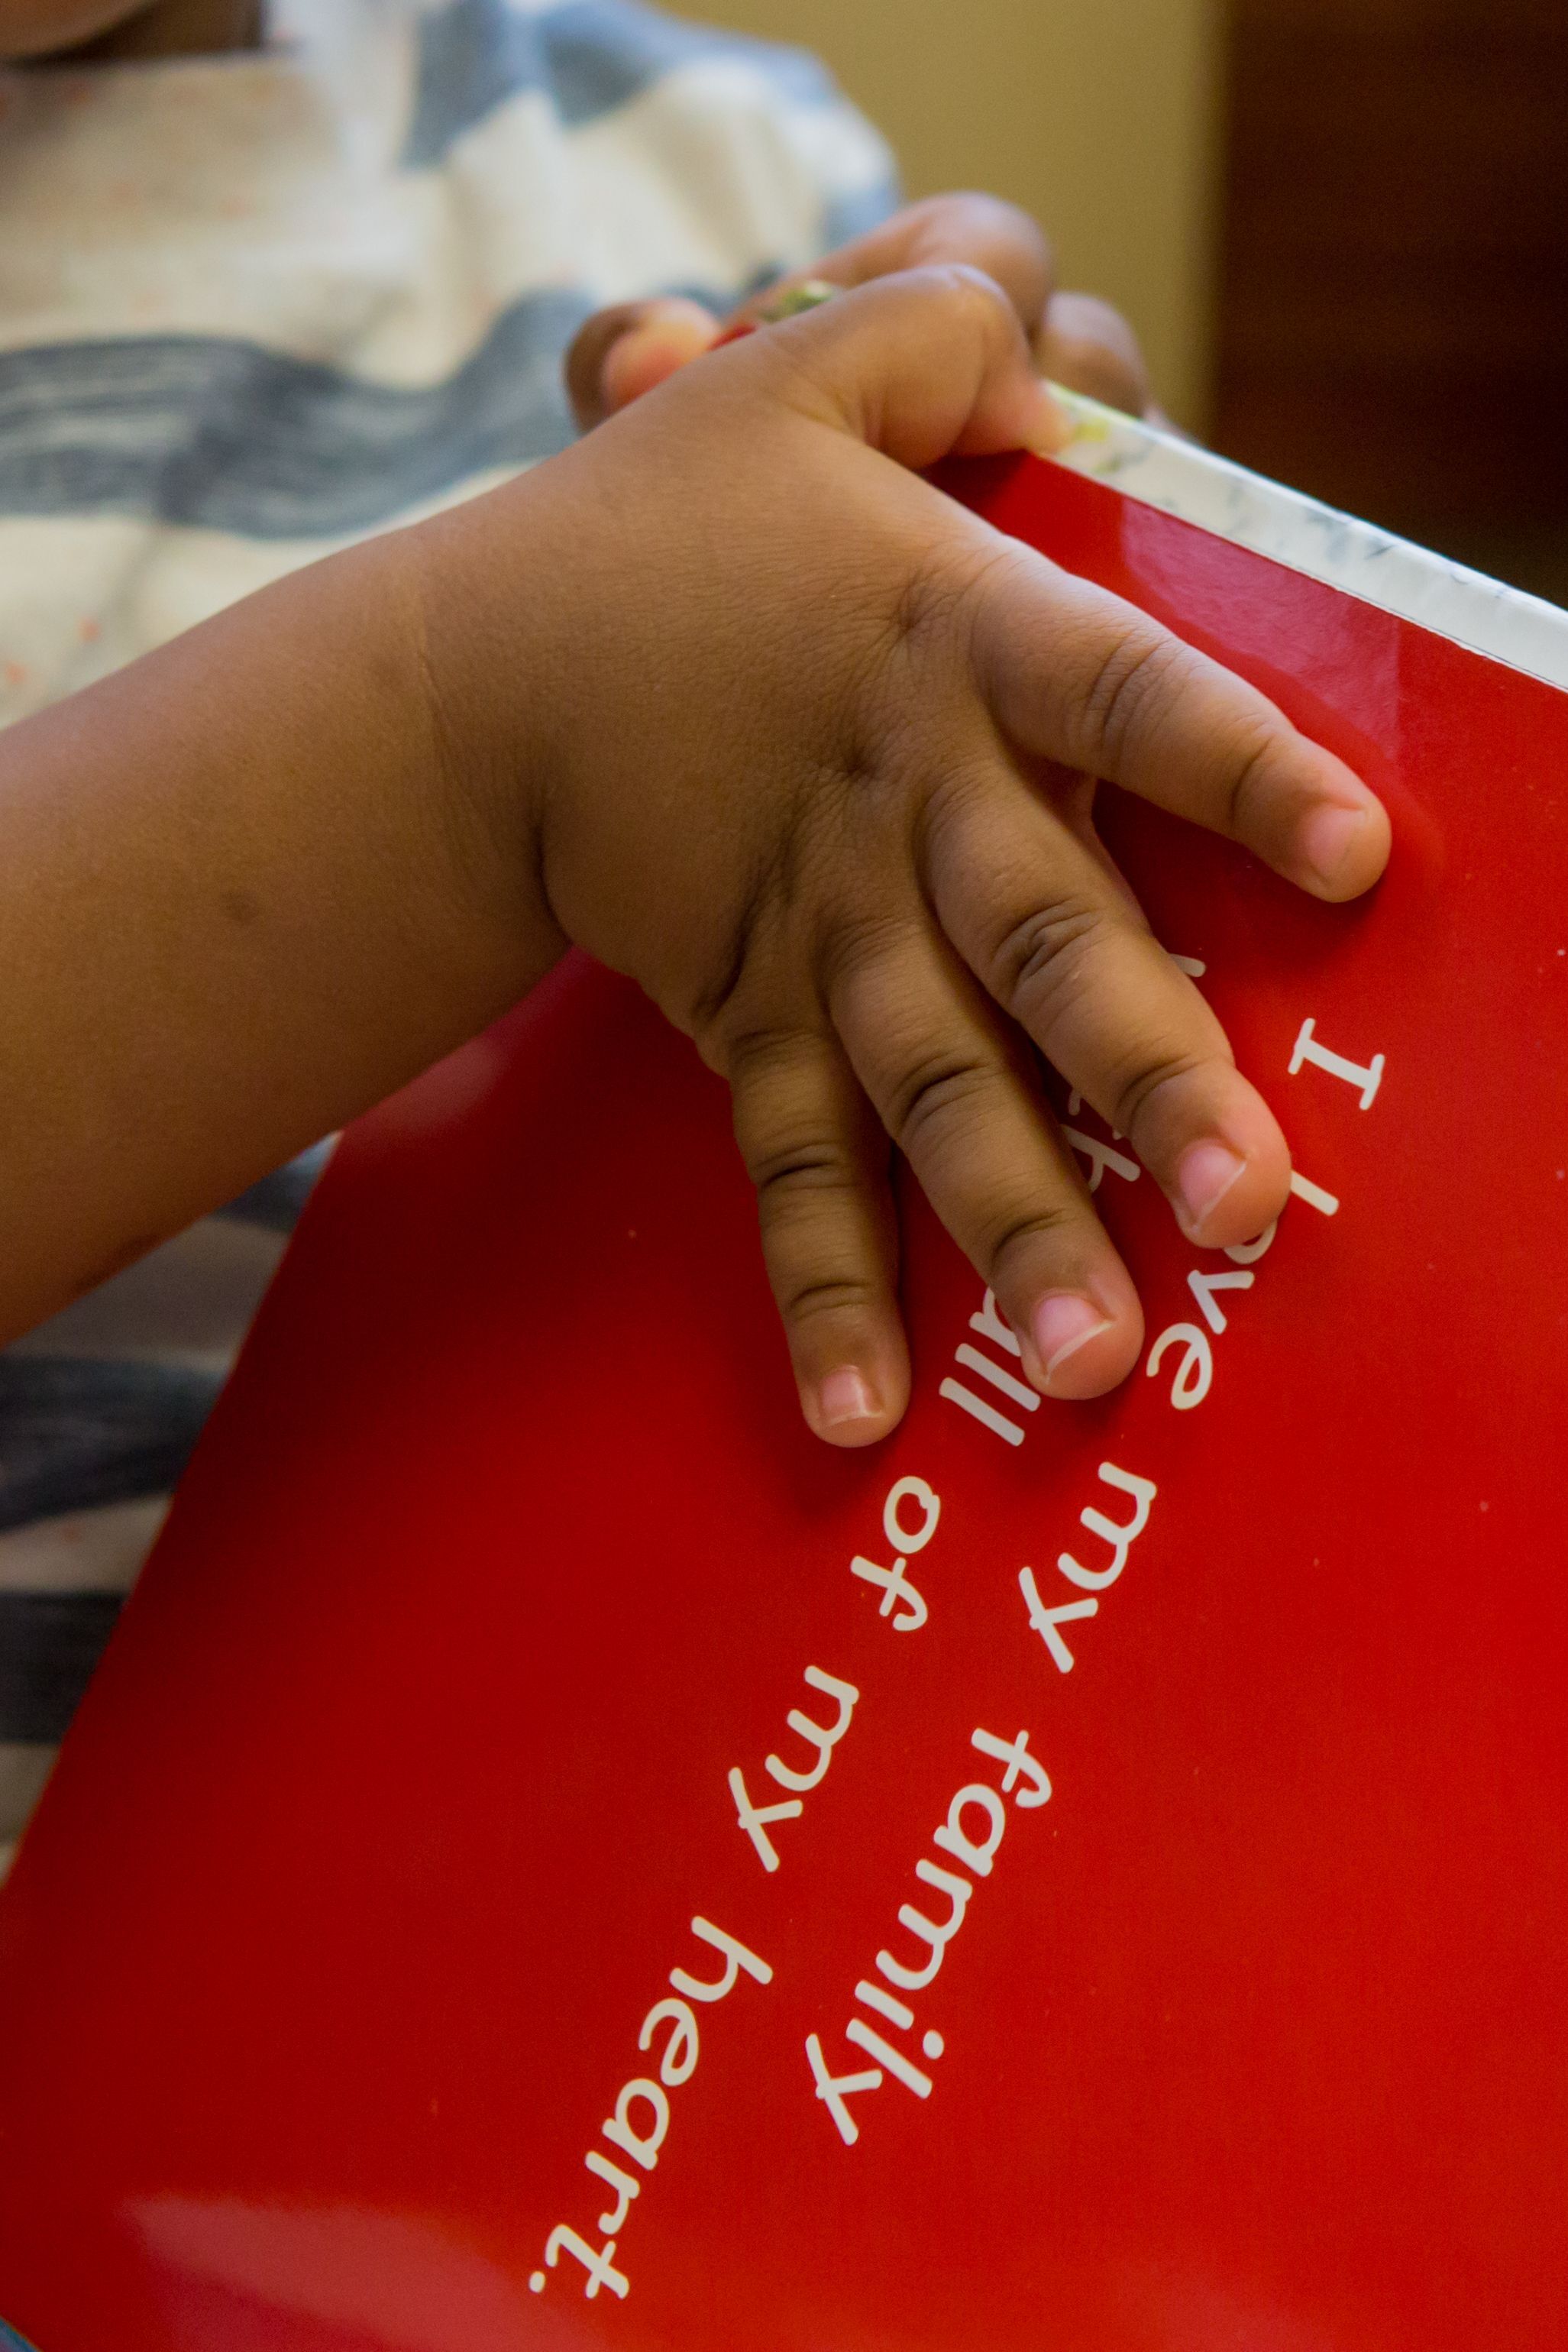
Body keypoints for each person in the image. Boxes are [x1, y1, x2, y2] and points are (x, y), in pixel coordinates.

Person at [0, 0, 1390, 1876]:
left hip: (685, 1902)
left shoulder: (701, 154)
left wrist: (1005, 603)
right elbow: (534, 693)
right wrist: (474, 739)